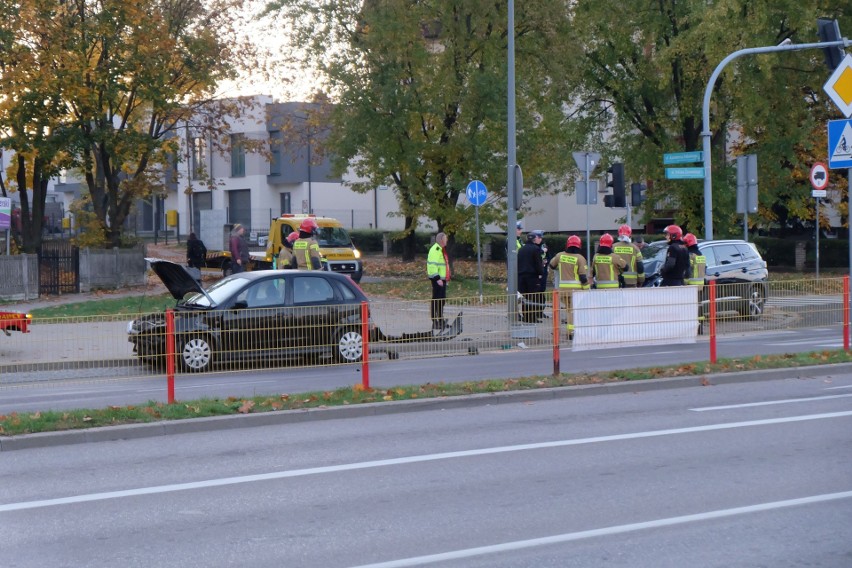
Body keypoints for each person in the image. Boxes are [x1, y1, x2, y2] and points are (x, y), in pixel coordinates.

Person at [549, 235, 588, 338]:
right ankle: (570, 333)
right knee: (572, 312)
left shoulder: (560, 255)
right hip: (575, 291)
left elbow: (552, 265)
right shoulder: (580, 258)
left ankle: (566, 331)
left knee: (569, 311)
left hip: (562, 290)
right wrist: (587, 289)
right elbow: (583, 277)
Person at [517, 231, 545, 322]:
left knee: (524, 298)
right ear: (534, 239)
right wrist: (541, 273)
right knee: (533, 297)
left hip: (521, 277)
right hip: (532, 277)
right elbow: (538, 263)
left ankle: (526, 317)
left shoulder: (521, 249)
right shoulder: (535, 249)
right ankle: (532, 318)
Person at [426, 232, 451, 332]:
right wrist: (437, 279)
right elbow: (432, 266)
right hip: (438, 280)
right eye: (445, 239)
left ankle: (440, 320)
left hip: (442, 280)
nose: (447, 240)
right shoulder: (435, 250)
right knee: (437, 300)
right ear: (441, 240)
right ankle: (435, 321)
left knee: (441, 300)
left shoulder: (441, 250)